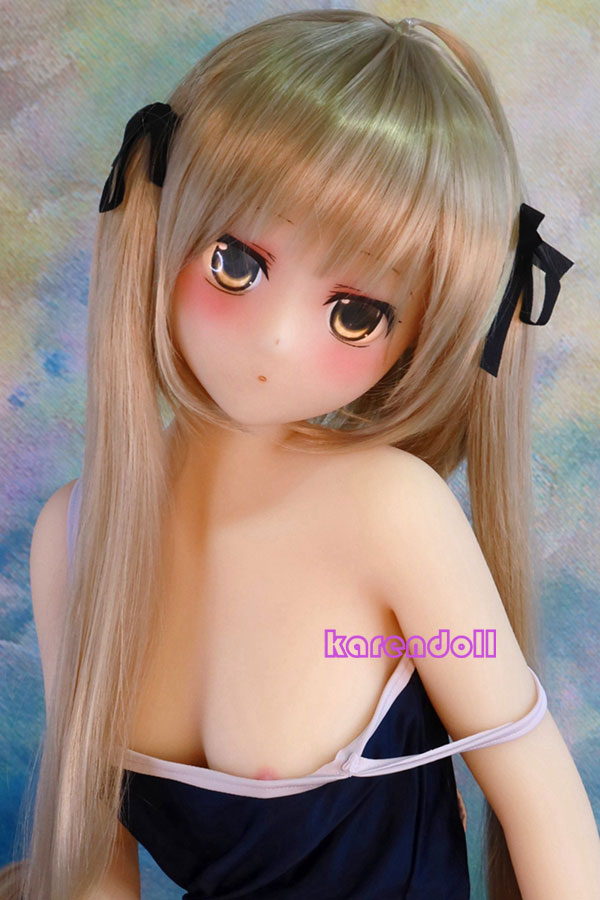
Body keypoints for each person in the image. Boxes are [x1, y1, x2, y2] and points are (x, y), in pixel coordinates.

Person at [2, 9, 599, 899]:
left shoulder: (390, 512)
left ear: (418, 335)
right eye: (235, 264)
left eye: (355, 314)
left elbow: (541, 799)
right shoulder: (73, 537)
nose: (276, 339)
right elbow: (96, 860)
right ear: (164, 219)